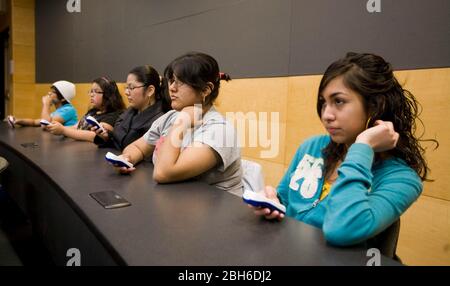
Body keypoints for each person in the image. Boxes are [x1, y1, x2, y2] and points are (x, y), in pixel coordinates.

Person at [249, 52, 437, 246]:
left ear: (375, 106)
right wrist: (272, 202)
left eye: (338, 101)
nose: (326, 115)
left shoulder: (401, 178)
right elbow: (285, 200)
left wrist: (363, 146)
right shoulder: (312, 146)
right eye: (323, 103)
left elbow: (342, 229)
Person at [110, 52, 243, 196]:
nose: (172, 88)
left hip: (214, 211)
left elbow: (163, 172)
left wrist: (181, 123)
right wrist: (127, 158)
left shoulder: (220, 131)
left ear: (205, 89)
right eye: (171, 80)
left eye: (180, 82)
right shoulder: (171, 117)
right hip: (173, 203)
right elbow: (138, 147)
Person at [93, 65, 171, 150]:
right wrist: (106, 136)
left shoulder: (161, 120)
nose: (126, 92)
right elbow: (119, 142)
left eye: (131, 87)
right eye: (126, 87)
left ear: (150, 90)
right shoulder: (129, 112)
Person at [47, 76, 126, 142]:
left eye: (96, 91)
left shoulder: (113, 115)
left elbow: (93, 136)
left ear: (108, 95)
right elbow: (76, 127)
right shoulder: (93, 111)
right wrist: (58, 128)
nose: (91, 95)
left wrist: (63, 130)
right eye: (91, 91)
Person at [7, 81, 78, 127]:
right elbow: (34, 122)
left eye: (53, 92)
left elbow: (45, 124)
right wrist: (17, 121)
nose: (49, 93)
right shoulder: (58, 111)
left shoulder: (69, 110)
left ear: (63, 98)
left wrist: (46, 104)